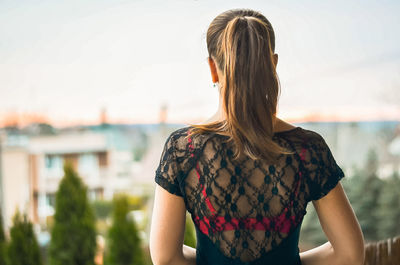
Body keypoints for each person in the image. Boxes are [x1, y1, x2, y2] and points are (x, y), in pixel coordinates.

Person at [150, 8, 365, 265]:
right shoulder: (308, 149)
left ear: (212, 68)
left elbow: (166, 258)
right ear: (272, 65)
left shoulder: (183, 149)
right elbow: (350, 254)